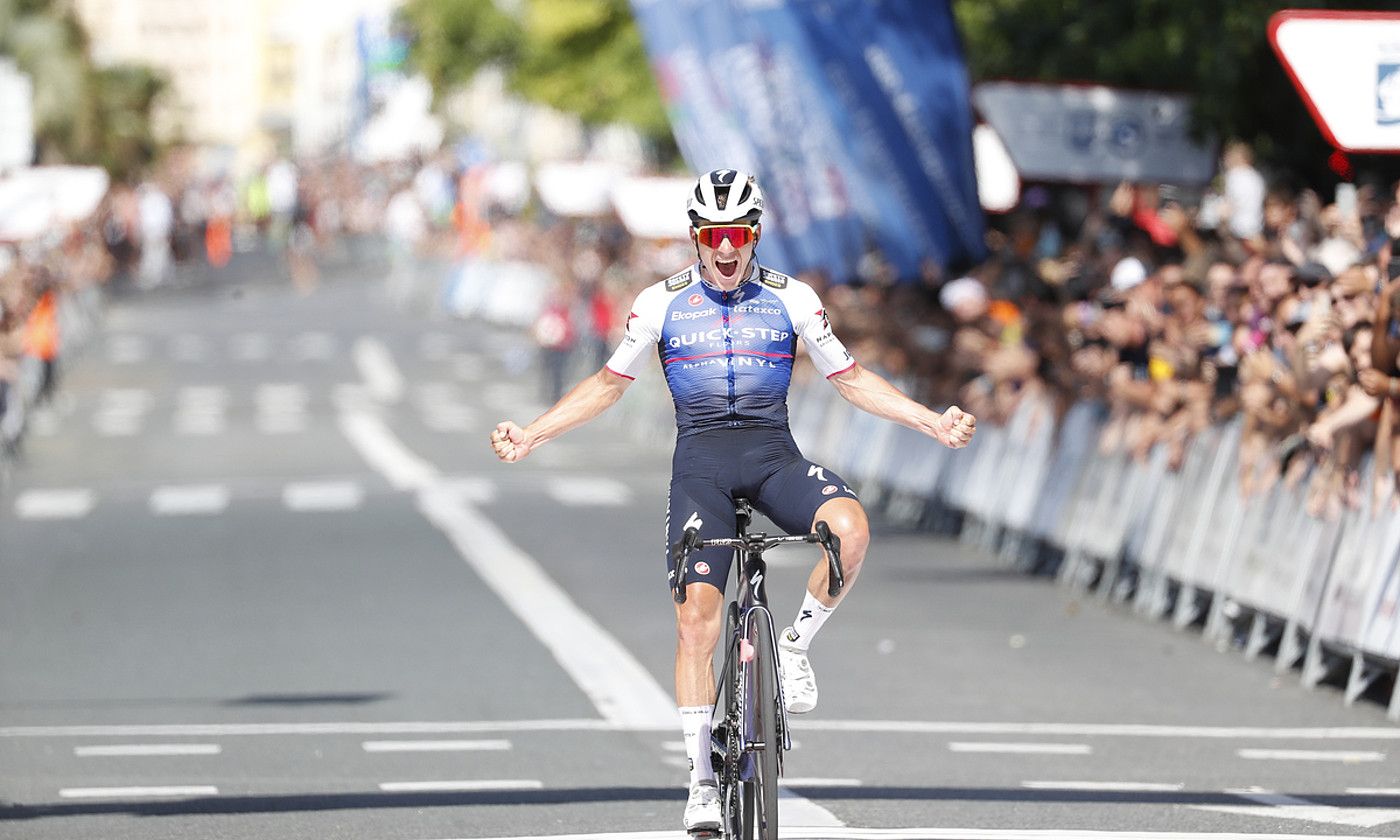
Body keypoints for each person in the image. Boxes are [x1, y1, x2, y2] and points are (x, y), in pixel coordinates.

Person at [489, 169, 976, 833]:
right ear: (696, 237)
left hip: (774, 458)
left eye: (738, 236)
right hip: (702, 469)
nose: (726, 249)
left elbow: (852, 379)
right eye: (714, 235)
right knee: (697, 620)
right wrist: (535, 433)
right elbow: (608, 384)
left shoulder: (793, 299)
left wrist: (929, 421)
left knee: (851, 529)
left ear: (753, 237)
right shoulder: (659, 303)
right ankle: (698, 784)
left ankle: (795, 647)